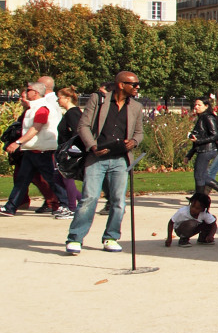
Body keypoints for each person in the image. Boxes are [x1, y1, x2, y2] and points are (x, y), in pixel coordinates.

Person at [65, 71, 146, 255]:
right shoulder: (98, 100)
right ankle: (75, 238)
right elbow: (83, 126)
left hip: (120, 159)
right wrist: (92, 146)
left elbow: (139, 133)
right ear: (120, 85)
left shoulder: (135, 106)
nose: (137, 87)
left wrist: (133, 142)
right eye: (133, 84)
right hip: (97, 157)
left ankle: (111, 236)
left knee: (118, 201)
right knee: (89, 198)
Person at [1, 82, 65, 218]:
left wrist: (18, 142)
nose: (26, 92)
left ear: (35, 93)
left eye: (29, 90)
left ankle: (65, 204)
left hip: (42, 151)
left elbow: (36, 128)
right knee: (22, 180)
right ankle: (10, 207)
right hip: (32, 149)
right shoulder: (34, 108)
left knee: (51, 180)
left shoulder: (42, 108)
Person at [188, 97, 218, 205]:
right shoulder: (202, 117)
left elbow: (215, 135)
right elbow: (199, 137)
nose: (196, 107)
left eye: (199, 105)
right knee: (200, 176)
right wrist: (189, 154)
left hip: (207, 150)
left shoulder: (208, 117)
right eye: (195, 105)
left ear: (206, 106)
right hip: (203, 149)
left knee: (200, 176)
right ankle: (198, 200)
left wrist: (199, 140)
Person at [51, 87, 84, 216]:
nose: (58, 101)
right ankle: (82, 203)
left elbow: (78, 132)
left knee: (66, 179)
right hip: (63, 150)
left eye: (59, 98)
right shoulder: (69, 113)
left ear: (67, 98)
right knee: (57, 178)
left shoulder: (73, 113)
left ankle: (72, 208)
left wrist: (71, 149)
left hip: (68, 152)